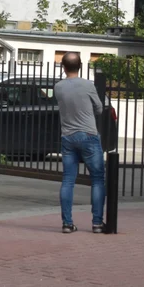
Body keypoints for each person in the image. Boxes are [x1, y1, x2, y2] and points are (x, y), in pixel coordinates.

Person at [55, 52, 108, 233]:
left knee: (68, 180)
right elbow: (100, 108)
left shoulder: (58, 87)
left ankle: (67, 223)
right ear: (80, 66)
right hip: (88, 135)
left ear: (63, 66)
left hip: (68, 137)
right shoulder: (88, 85)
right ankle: (97, 223)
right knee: (98, 179)